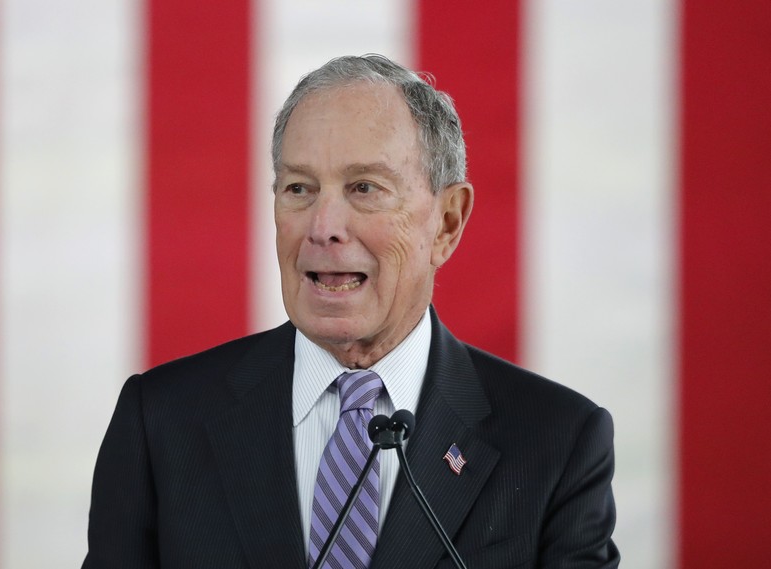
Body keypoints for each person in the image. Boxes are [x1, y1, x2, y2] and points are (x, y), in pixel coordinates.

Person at [82, 55, 619, 569]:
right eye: (299, 188)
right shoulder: (161, 423)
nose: (322, 226)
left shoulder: (557, 443)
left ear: (448, 222)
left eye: (364, 188)